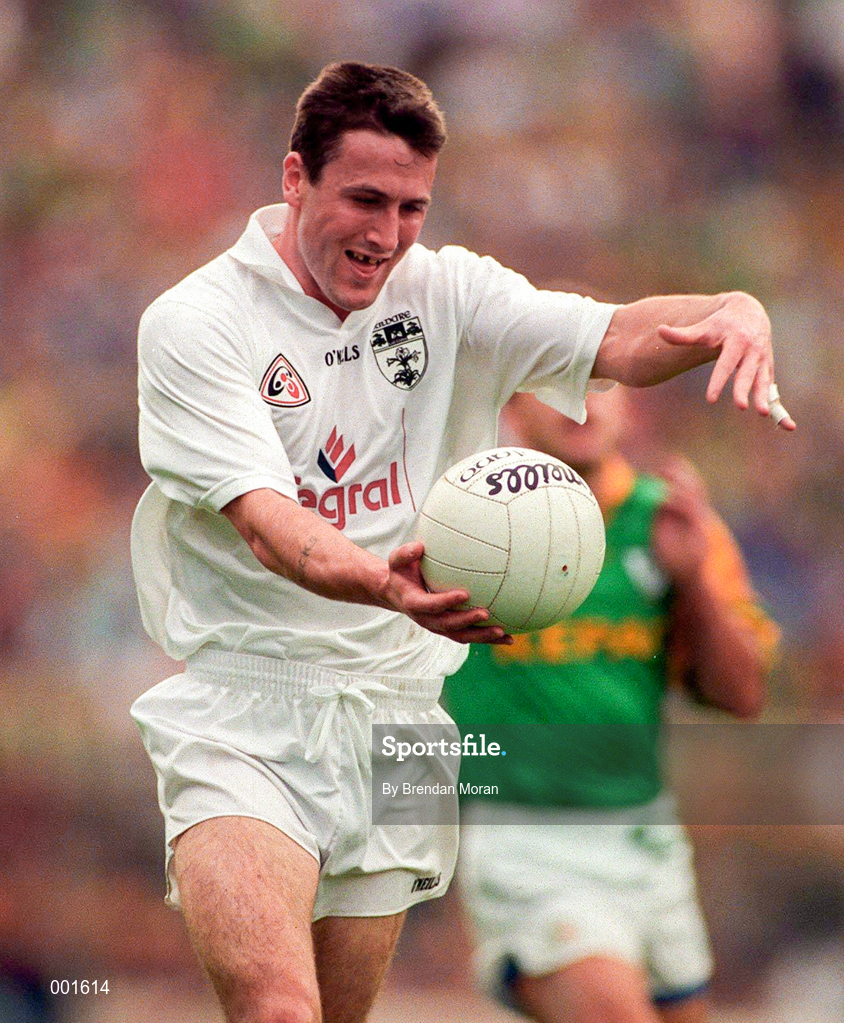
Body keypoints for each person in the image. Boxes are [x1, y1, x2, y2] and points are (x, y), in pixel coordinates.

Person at [128, 60, 793, 1023]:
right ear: (292, 178)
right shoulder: (198, 323)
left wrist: (729, 312)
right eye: (364, 198)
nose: (387, 234)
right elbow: (276, 531)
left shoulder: (448, 292)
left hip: (401, 716)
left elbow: (614, 338)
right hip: (248, 703)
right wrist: (386, 584)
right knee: (279, 1009)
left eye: (411, 208)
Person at [443, 387, 781, 1023]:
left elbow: (742, 696)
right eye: (554, 382)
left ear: (630, 406)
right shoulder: (467, 522)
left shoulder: (672, 520)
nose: (581, 404)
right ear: (511, 405)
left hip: (647, 836)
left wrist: (693, 581)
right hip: (526, 840)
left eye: (597, 382)